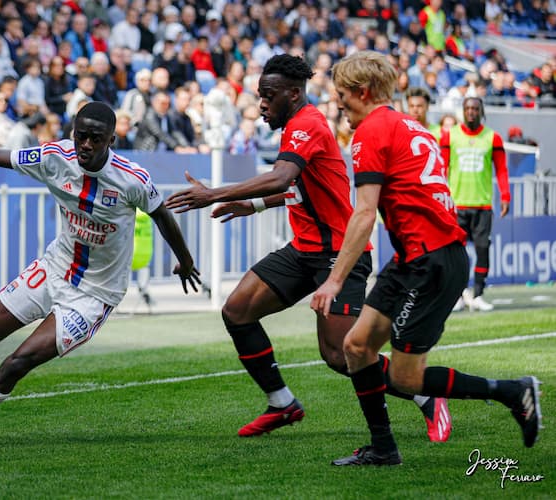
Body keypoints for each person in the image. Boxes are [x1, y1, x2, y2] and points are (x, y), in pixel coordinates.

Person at [165, 54, 451, 442]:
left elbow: (282, 176)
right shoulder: (298, 127)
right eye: (259, 95)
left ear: (294, 94)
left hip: (339, 253)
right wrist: (253, 205)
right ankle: (282, 403)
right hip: (304, 250)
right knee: (236, 311)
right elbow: (301, 188)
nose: (261, 104)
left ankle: (424, 395)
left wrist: (213, 194)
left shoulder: (309, 124)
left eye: (269, 95)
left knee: (340, 354)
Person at [0, 101, 201, 450]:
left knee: (17, 363)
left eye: (95, 139)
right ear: (72, 133)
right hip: (54, 268)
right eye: (80, 136)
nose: (85, 145)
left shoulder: (133, 179)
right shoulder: (54, 157)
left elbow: (162, 216)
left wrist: (185, 261)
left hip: (94, 296)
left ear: (111, 140)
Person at [310, 51, 541, 466]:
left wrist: (333, 280)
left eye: (342, 95)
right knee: (357, 346)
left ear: (363, 92)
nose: (338, 104)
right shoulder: (408, 124)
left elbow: (364, 214)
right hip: (416, 257)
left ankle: (512, 391)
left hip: (432, 262)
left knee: (405, 377)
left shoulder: (370, 132)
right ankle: (383, 449)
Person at [439, 97, 510, 312]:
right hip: (457, 205)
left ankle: (478, 293)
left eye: (475, 109)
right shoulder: (450, 136)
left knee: (482, 249)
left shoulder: (493, 138)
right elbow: (441, 169)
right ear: (463, 111)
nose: (471, 112)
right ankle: (458, 295)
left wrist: (505, 196)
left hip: (482, 205)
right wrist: (440, 197)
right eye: (468, 108)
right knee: (455, 253)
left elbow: (501, 169)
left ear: (481, 111)